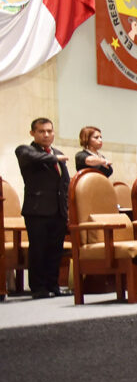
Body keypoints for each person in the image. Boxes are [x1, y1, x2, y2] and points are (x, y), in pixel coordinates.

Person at [15, 118, 70, 298]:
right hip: (37, 210)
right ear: (33, 133)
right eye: (41, 131)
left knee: (55, 250)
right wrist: (54, 157)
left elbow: (64, 182)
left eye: (49, 131)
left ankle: (53, 285)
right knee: (38, 250)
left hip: (58, 210)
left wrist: (67, 209)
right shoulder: (25, 150)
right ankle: (38, 288)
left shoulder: (58, 153)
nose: (46, 135)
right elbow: (36, 158)